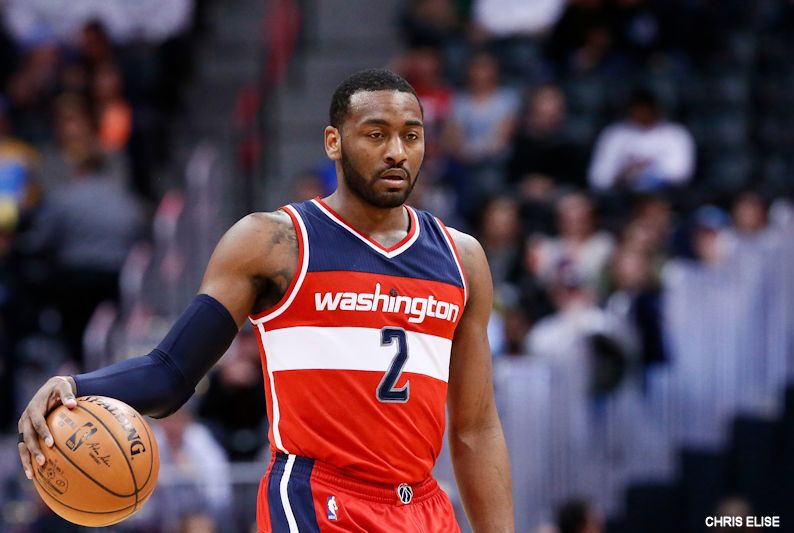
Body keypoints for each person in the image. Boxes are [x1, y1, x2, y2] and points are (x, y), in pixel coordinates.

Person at [18, 69, 514, 532]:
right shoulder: (275, 242)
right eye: (376, 134)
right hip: (317, 500)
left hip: (423, 505)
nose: (397, 152)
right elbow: (170, 374)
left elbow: (475, 430)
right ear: (334, 142)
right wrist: (75, 385)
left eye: (411, 135)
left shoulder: (462, 259)